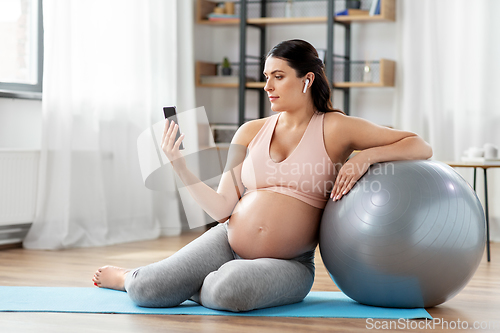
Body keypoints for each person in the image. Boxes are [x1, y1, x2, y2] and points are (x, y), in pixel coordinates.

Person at [92, 39, 432, 312]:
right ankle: (130, 277)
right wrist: (179, 164)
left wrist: (365, 158)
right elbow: (222, 207)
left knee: (228, 290)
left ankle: (189, 284)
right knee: (145, 290)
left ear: (307, 80)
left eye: (278, 76)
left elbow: (419, 145)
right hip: (227, 240)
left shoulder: (335, 127)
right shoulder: (249, 131)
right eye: (266, 76)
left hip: (289, 263)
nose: (267, 85)